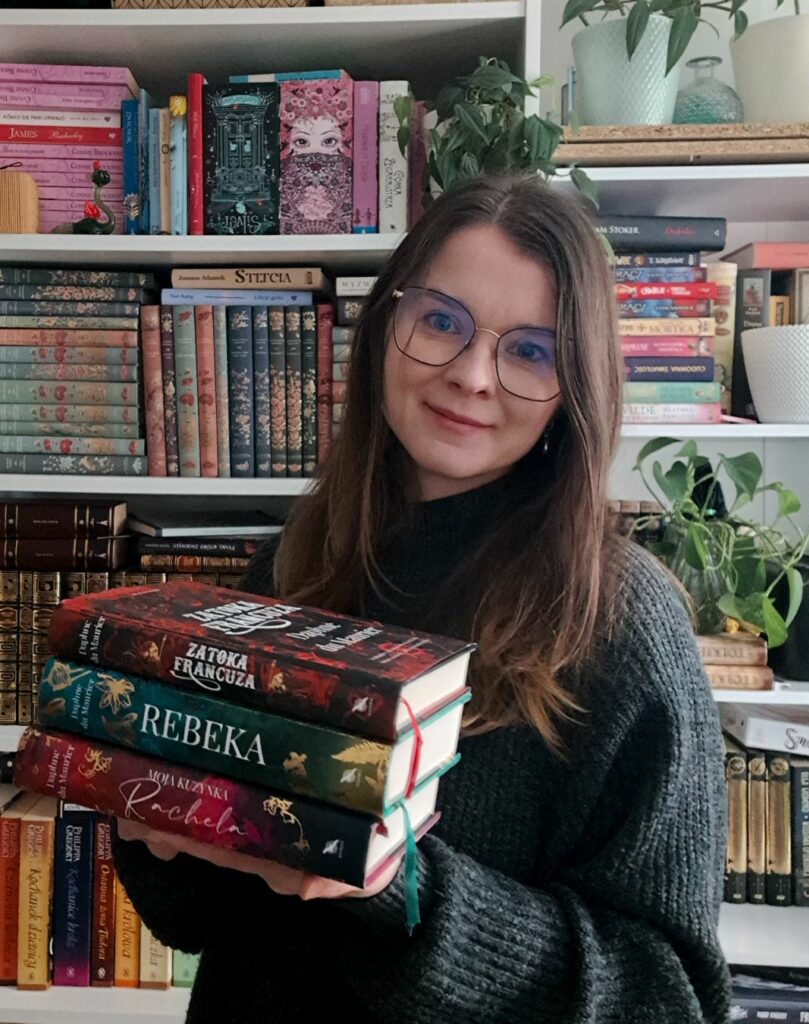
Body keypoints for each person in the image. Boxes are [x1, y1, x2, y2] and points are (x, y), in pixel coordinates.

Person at [114, 173, 731, 1024]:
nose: (471, 375)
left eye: (530, 352)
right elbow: (201, 923)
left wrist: (394, 884)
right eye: (441, 322)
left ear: (574, 388)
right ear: (385, 327)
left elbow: (666, 997)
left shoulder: (621, 622)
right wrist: (154, 813)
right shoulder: (295, 560)